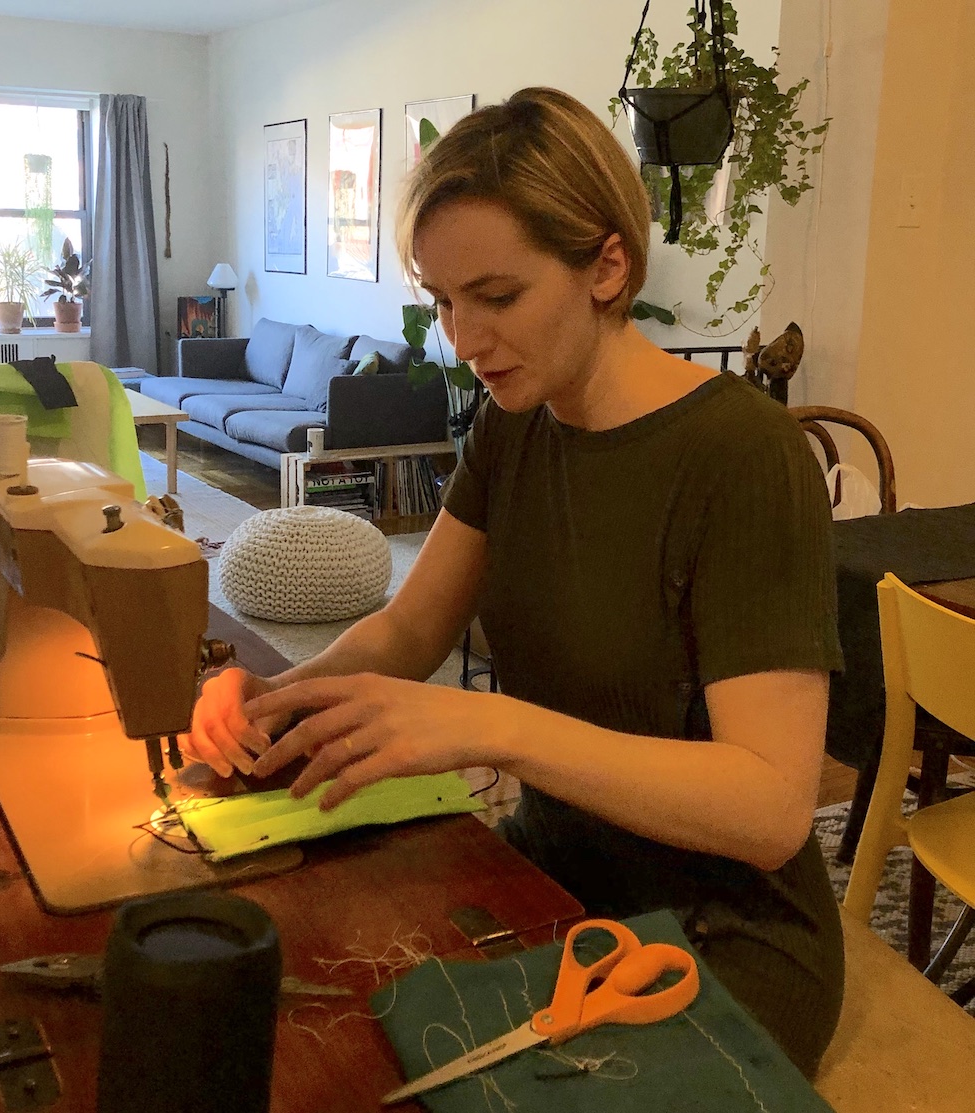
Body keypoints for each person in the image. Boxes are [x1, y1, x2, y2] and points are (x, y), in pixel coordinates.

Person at [182, 86, 845, 1075]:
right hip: (555, 873)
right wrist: (274, 703)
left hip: (721, 931)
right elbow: (409, 634)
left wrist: (497, 729)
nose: (462, 337)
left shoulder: (742, 454)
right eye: (443, 301)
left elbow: (771, 808)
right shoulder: (513, 421)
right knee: (314, 1013)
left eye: (496, 297)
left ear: (607, 266)